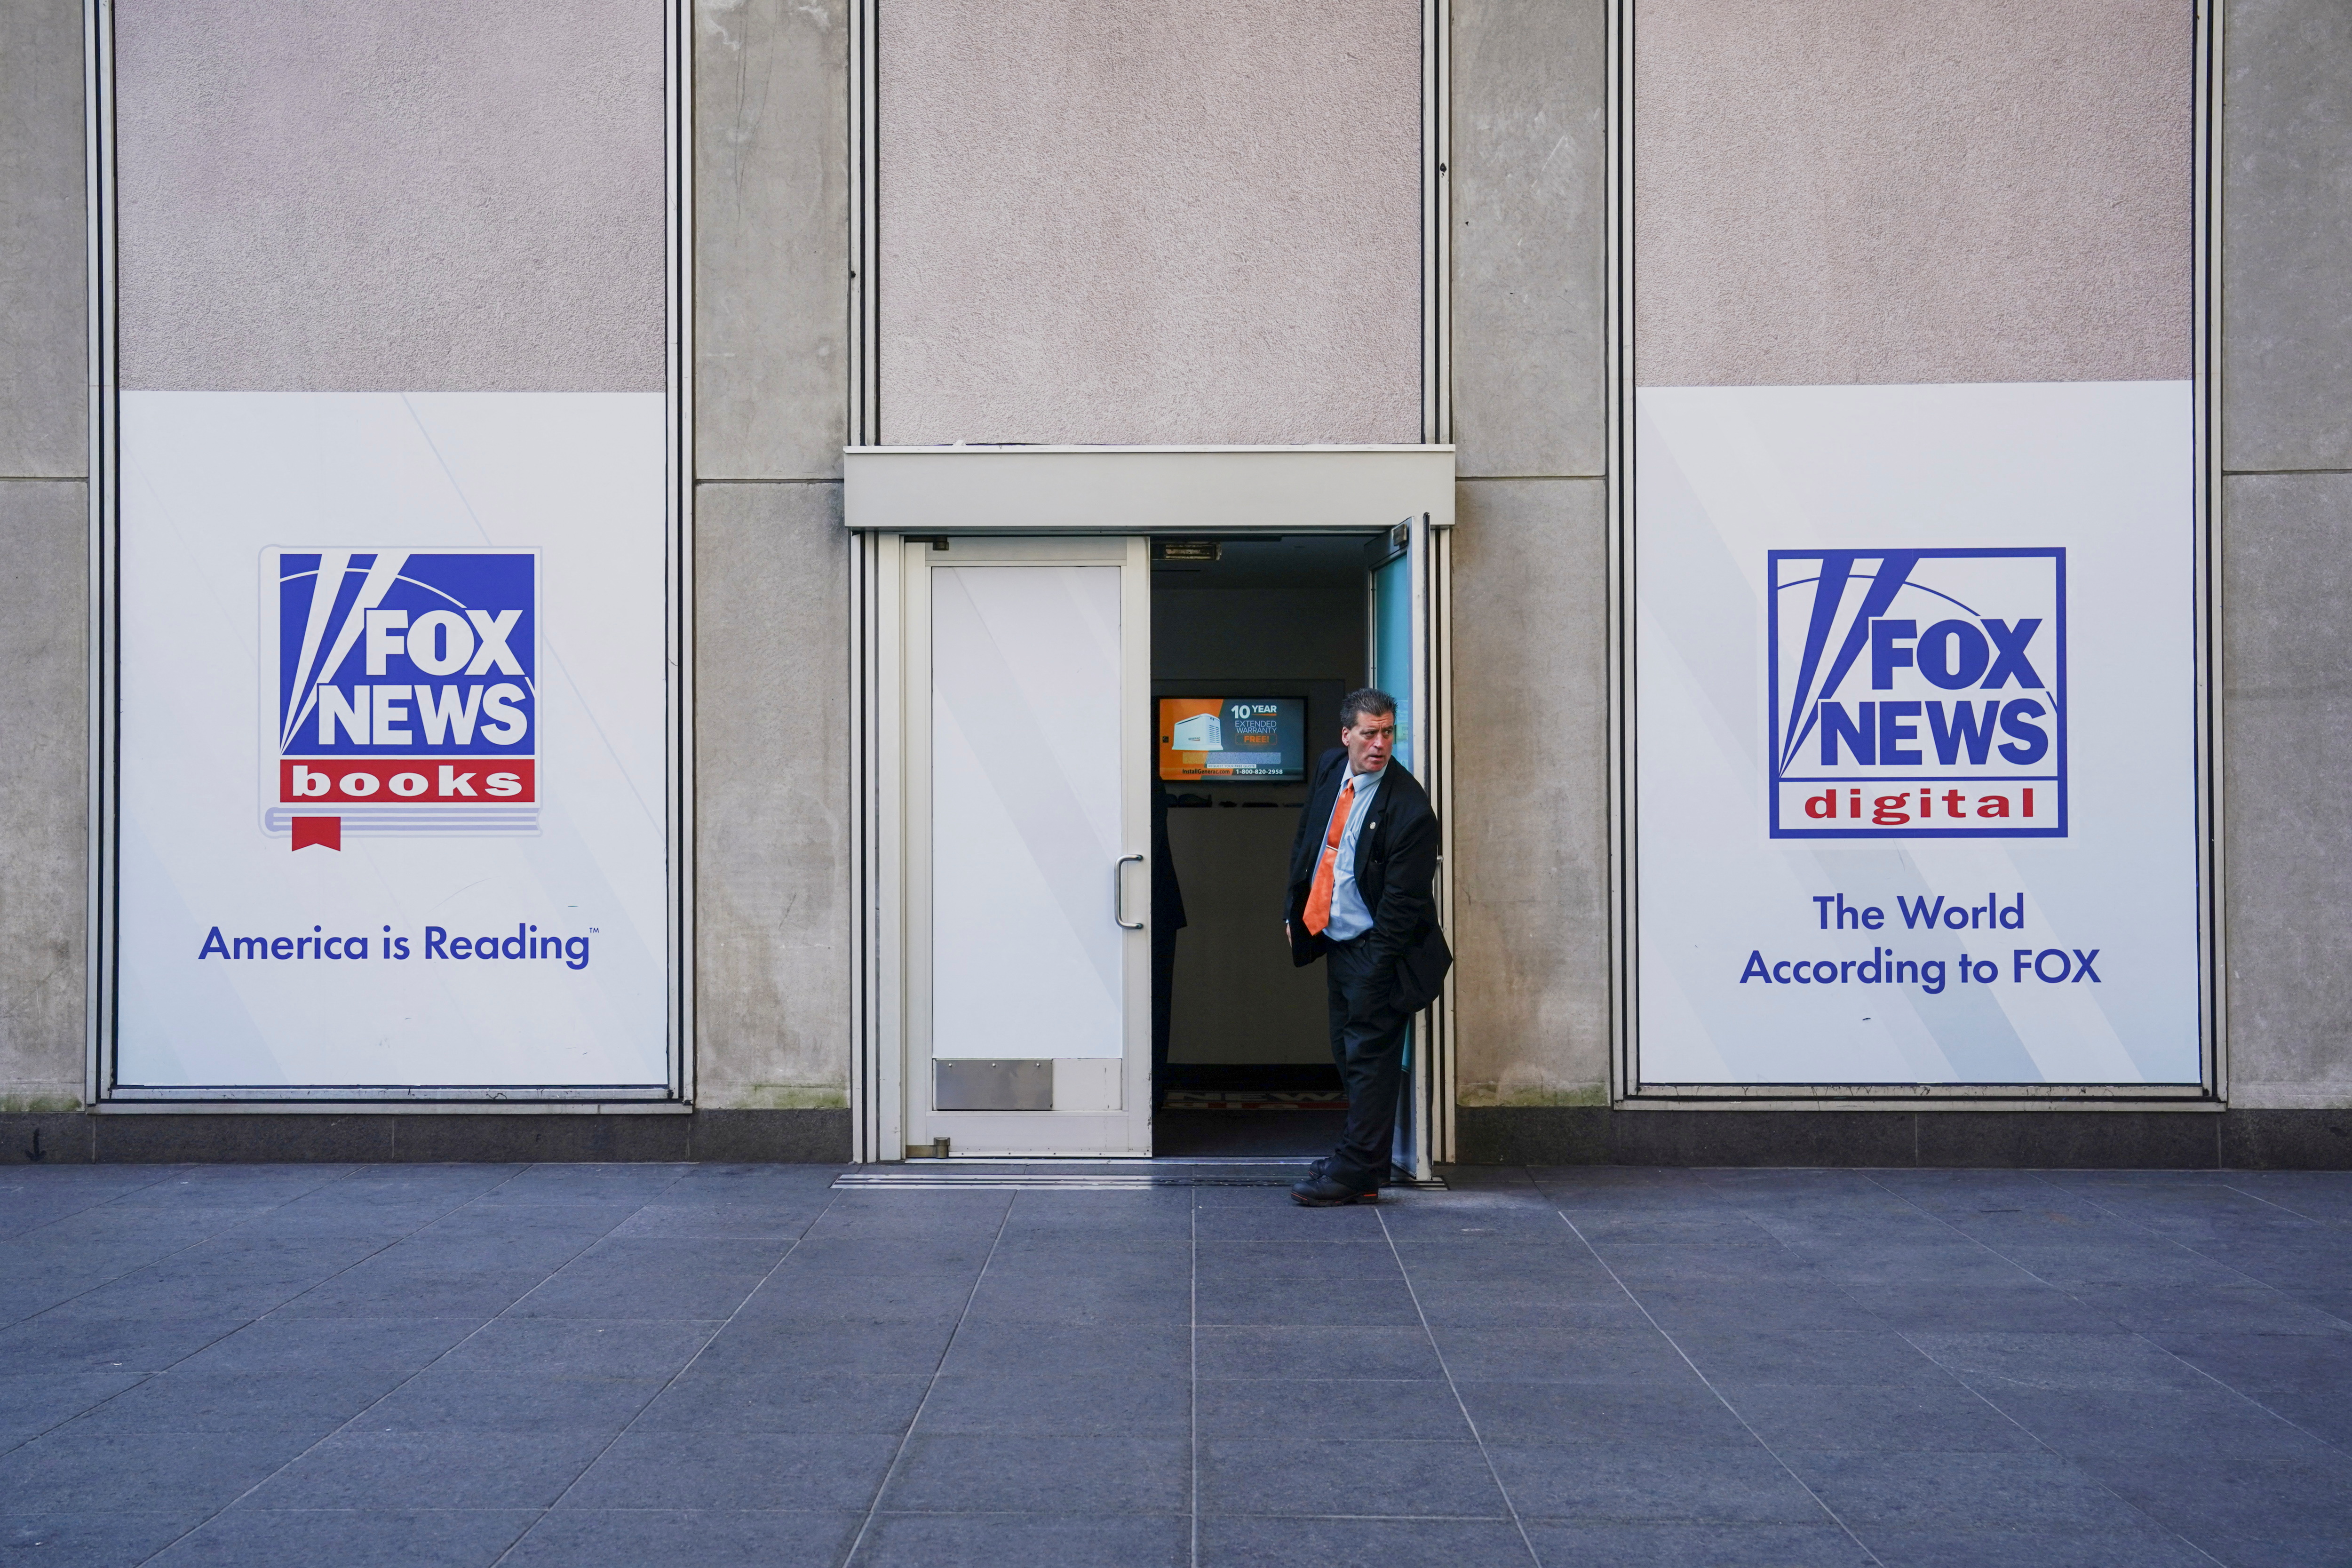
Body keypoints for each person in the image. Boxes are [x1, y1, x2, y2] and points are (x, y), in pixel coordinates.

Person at [1281, 688, 1449, 1206]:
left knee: (1370, 1061)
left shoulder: (1410, 809)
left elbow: (1402, 907)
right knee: (1347, 1052)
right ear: (1346, 735)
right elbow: (1310, 842)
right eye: (1369, 733)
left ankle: (1356, 1171)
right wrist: (1296, 913)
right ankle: (1364, 1160)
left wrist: (1375, 966)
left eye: (1387, 734)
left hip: (1380, 951)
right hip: (1337, 939)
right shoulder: (1333, 768)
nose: (1379, 744)